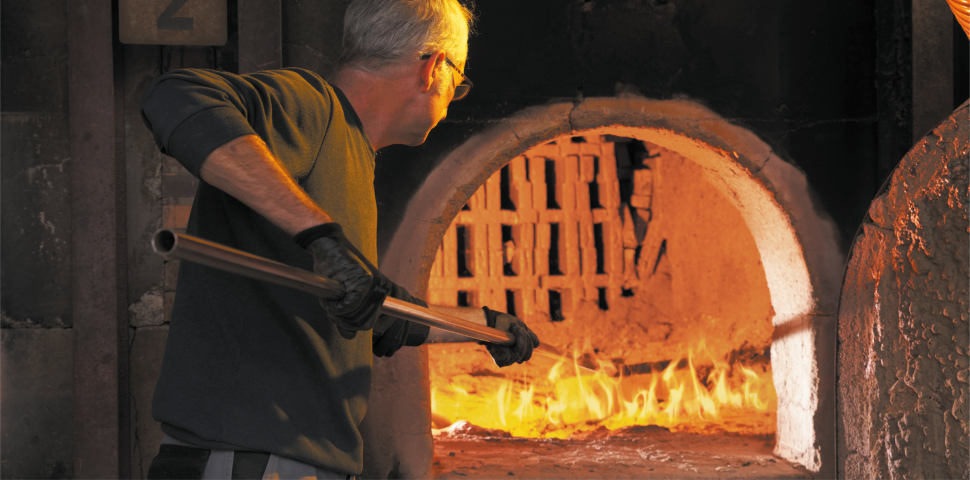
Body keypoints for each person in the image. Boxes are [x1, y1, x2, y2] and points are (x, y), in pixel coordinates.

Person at [139, 1, 539, 479]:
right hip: (249, 459)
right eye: (460, 81)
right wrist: (321, 235)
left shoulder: (353, 153)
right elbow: (174, 94)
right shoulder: (313, 106)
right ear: (434, 68)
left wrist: (483, 324)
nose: (455, 95)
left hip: (284, 460)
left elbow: (374, 310)